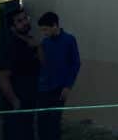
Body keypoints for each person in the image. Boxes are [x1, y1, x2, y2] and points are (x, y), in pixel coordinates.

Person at [0, 6, 40, 140]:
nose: (25, 22)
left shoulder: (29, 42)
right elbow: (3, 78)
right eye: (20, 21)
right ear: (13, 27)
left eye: (25, 18)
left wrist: (37, 46)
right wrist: (15, 101)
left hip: (29, 101)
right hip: (16, 104)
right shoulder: (11, 46)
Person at [36, 11, 81, 140]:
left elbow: (75, 64)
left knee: (54, 121)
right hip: (44, 87)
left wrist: (68, 85)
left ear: (54, 26)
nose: (44, 33)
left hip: (59, 87)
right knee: (42, 121)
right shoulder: (45, 42)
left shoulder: (69, 40)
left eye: (46, 29)